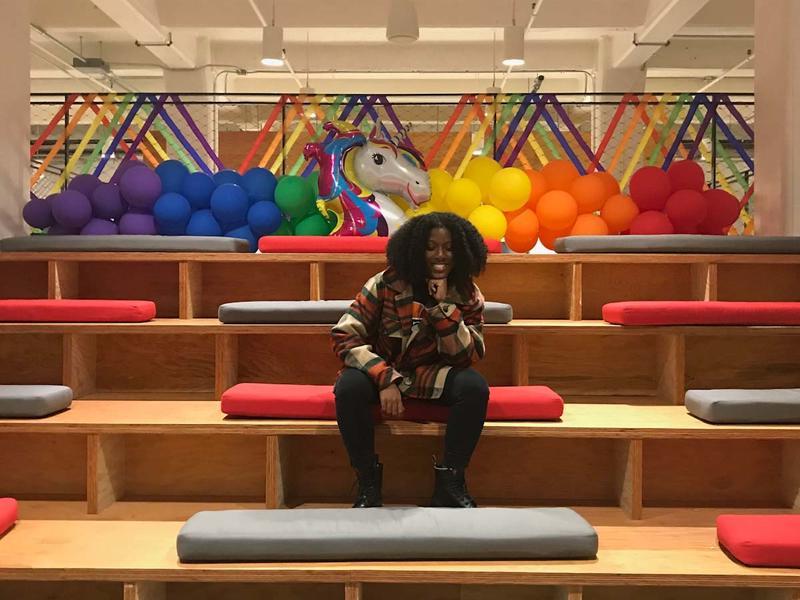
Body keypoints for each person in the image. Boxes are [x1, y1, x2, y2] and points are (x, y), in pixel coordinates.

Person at [331, 212, 490, 508]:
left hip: (428, 375)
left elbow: (468, 356)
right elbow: (345, 335)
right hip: (381, 373)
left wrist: (443, 308)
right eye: (431, 247)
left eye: (449, 247)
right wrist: (384, 377)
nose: (440, 255)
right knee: (348, 387)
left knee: (474, 387)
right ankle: (367, 483)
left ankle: (450, 483)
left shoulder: (466, 294)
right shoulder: (384, 283)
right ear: (416, 249)